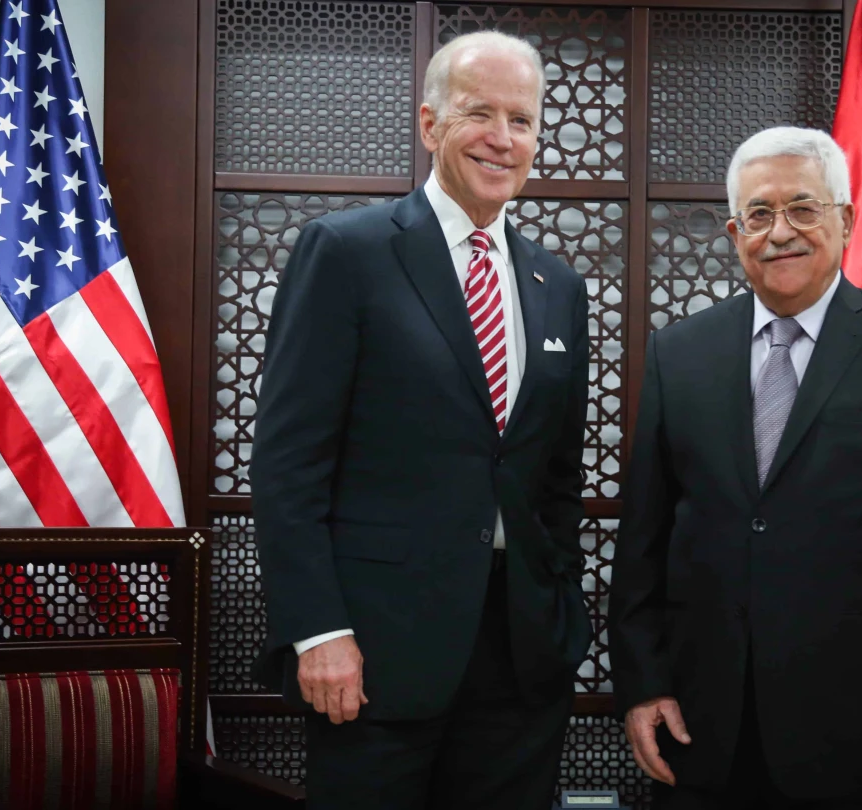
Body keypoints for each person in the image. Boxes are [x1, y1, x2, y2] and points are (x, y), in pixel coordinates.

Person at [249, 31, 591, 810]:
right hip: (374, 656)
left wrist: (562, 607)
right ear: (431, 125)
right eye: (480, 114)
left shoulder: (557, 284)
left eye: (523, 120)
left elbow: (557, 478)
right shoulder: (347, 251)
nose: (503, 139)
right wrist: (318, 631)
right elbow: (287, 464)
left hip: (521, 656)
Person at [609, 126, 862, 810]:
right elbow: (643, 541)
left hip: (859, 734)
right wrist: (642, 683)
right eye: (759, 214)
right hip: (700, 726)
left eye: (803, 209)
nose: (779, 231)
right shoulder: (678, 354)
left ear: (845, 219)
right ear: (733, 232)